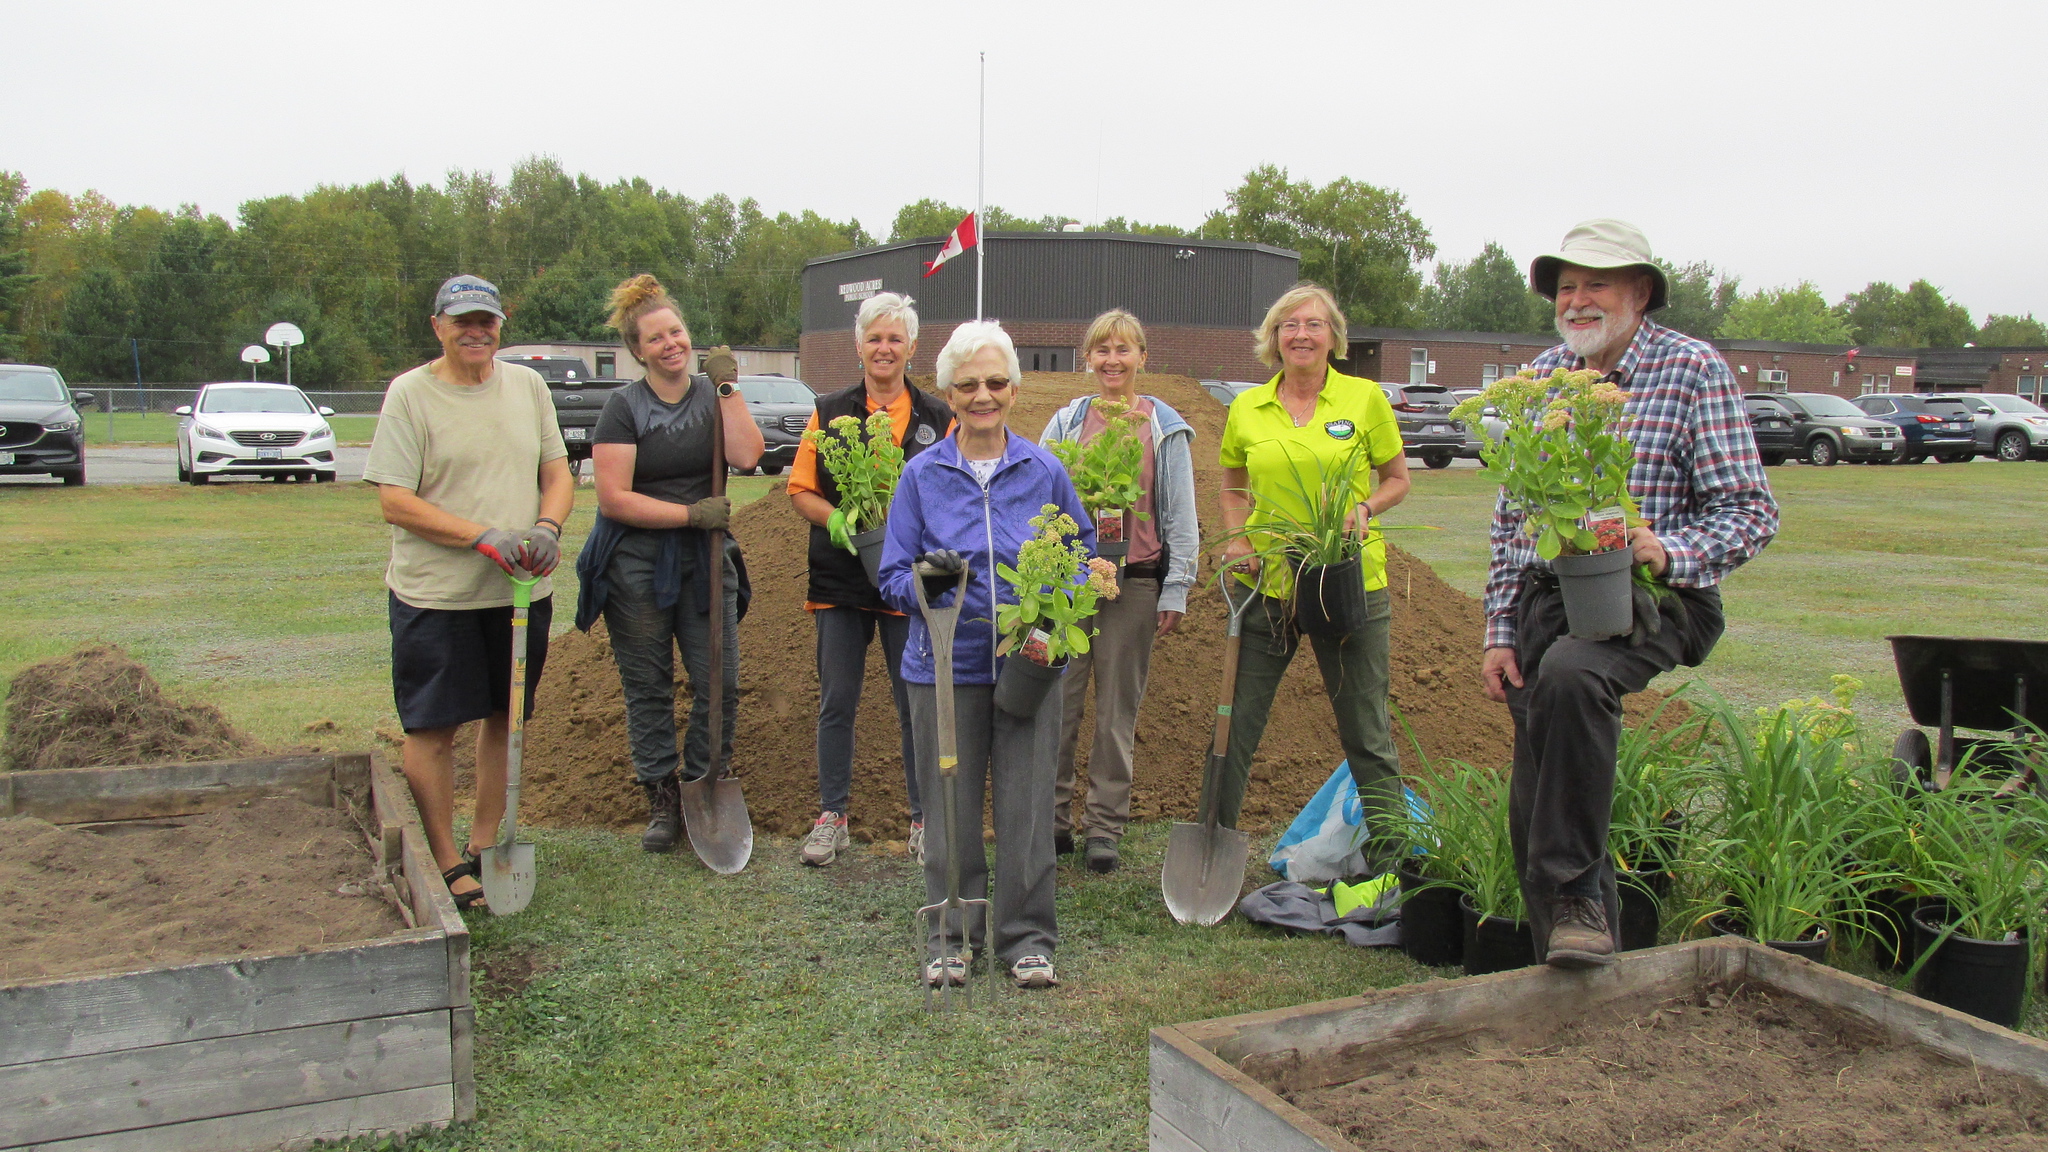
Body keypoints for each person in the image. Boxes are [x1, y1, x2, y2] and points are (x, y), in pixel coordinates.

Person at [1482, 219, 1776, 968]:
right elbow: (1512, 525)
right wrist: (1499, 630)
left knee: (1577, 674)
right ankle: (1575, 952)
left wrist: (1665, 548)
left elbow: (1751, 509)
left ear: (1639, 293)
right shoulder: (1543, 381)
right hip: (1552, 599)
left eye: (1596, 285)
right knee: (1537, 792)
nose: (1577, 301)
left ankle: (1576, 899)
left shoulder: (1692, 371)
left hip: (1659, 593)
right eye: (1566, 287)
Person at [877, 321, 1093, 990]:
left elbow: (1082, 552)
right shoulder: (922, 475)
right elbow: (890, 575)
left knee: (1028, 808)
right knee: (950, 809)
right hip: (942, 668)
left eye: (995, 383)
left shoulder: (1043, 468)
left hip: (1025, 665)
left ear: (1015, 390)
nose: (982, 396)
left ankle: (1027, 938)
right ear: (949, 392)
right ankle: (950, 934)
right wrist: (931, 585)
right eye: (967, 384)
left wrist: (1054, 603)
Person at [364, 274, 574, 910]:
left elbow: (557, 472)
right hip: (438, 597)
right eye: (462, 322)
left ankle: (486, 843)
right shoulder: (411, 395)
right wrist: (480, 536)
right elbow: (395, 502)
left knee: (505, 720)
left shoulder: (528, 386)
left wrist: (545, 526)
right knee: (432, 728)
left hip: (516, 595)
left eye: (486, 321)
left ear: (500, 324)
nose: (476, 332)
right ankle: (445, 858)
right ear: (439, 327)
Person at [1214, 283, 1410, 864]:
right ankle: (1214, 843)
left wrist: (1365, 509)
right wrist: (1240, 537)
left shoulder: (1364, 399)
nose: (1301, 334)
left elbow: (1398, 479)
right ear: (1274, 337)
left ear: (1333, 337)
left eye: (1314, 324)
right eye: (1289, 325)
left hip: (1347, 585)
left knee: (1366, 733)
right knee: (1234, 726)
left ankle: (1395, 863)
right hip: (1267, 587)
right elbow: (1231, 485)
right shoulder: (1248, 407)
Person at [573, 275, 765, 853]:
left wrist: (729, 389)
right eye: (655, 339)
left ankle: (704, 781)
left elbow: (748, 457)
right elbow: (614, 499)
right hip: (635, 563)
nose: (670, 344)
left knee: (721, 681)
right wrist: (688, 516)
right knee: (648, 685)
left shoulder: (713, 396)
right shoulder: (625, 407)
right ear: (638, 350)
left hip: (706, 561)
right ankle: (661, 799)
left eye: (676, 332)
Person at [786, 292, 953, 867]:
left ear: (912, 346)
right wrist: (833, 517)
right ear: (858, 346)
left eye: (895, 338)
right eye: (874, 338)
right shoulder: (829, 411)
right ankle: (833, 815)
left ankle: (924, 817)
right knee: (837, 700)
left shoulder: (939, 417)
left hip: (912, 584)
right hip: (841, 582)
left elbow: (953, 497)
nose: (885, 348)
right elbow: (800, 489)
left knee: (916, 704)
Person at [1038, 308, 1199, 874]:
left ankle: (1104, 828)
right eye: (1102, 350)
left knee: (1115, 715)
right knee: (1057, 703)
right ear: (1088, 359)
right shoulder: (1065, 422)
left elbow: (1179, 514)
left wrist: (1176, 587)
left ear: (1142, 358)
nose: (1113, 360)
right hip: (1070, 584)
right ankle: (1052, 822)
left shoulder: (1164, 426)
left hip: (1135, 583)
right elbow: (1041, 497)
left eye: (1124, 350)